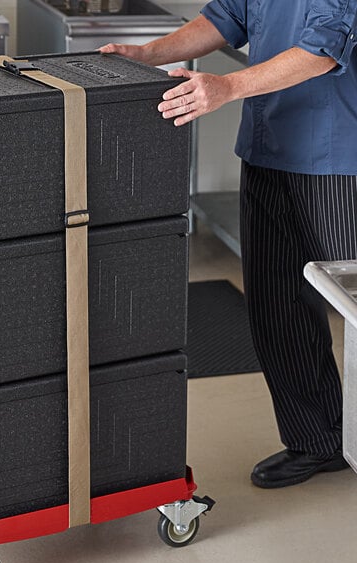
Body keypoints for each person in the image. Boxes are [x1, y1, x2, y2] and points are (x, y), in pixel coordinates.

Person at [100, 0, 357, 488]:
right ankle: (317, 439)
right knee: (276, 306)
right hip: (267, 148)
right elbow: (227, 18)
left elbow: (325, 49)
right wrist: (148, 55)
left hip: (338, 156)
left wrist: (228, 86)